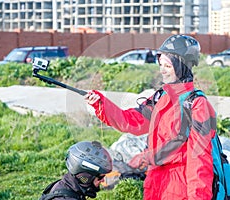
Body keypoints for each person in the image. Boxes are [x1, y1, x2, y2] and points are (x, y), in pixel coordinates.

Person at [85, 35, 217, 199]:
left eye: (167, 66)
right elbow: (131, 121)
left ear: (182, 66)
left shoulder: (197, 105)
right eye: (160, 64)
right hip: (155, 183)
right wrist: (101, 104)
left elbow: (199, 159)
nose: (162, 70)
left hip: (181, 188)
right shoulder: (161, 97)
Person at [39, 141, 112, 200]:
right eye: (100, 177)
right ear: (86, 177)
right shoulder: (64, 197)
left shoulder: (68, 186)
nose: (103, 181)